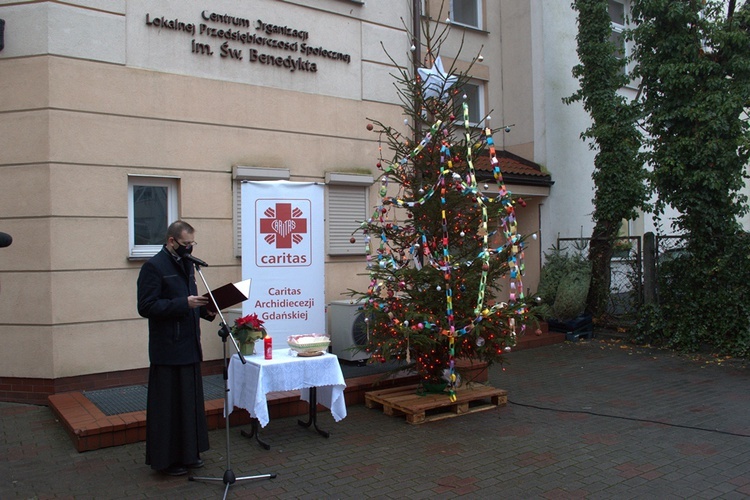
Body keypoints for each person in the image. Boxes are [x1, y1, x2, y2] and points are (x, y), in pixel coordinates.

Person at [137, 220, 215, 476]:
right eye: (185, 244)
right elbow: (147, 307)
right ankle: (166, 461)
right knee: (168, 408)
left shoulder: (187, 265)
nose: (189, 249)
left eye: (192, 244)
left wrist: (206, 308)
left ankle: (190, 453)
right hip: (168, 349)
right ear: (171, 241)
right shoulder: (153, 267)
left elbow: (189, 303)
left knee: (189, 405)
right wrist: (184, 303)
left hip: (190, 345)